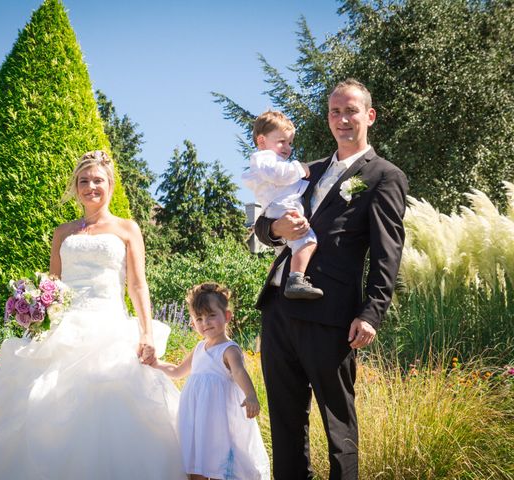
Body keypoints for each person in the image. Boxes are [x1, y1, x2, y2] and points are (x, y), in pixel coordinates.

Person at [0, 150, 186, 479]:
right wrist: (34, 311)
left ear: (111, 185)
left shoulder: (127, 229)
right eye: (83, 181)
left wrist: (145, 332)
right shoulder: (63, 233)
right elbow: (54, 285)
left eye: (97, 180)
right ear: (75, 187)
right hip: (64, 328)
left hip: (109, 326)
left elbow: (138, 285)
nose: (91, 187)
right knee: (42, 405)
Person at [254, 79, 408, 479]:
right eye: (335, 112)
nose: (343, 119)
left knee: (338, 426)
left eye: (351, 111)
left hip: (330, 315)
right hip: (278, 311)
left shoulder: (384, 177)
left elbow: (387, 252)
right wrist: (276, 231)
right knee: (285, 424)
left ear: (369, 116)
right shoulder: (306, 170)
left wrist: (371, 313)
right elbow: (263, 225)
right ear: (328, 118)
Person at [150, 282, 270, 480]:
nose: (205, 322)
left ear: (227, 316)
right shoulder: (199, 348)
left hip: (218, 421)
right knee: (196, 462)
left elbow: (239, 372)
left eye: (211, 315)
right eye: (199, 318)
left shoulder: (229, 349)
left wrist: (251, 396)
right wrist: (156, 364)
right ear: (193, 322)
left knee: (218, 464)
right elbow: (178, 371)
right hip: (196, 418)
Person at [242, 110, 323, 300]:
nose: (287, 148)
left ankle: (278, 278)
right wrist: (300, 168)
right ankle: (296, 279)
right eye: (282, 142)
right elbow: (279, 174)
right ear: (262, 141)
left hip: (280, 207)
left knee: (285, 250)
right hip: (283, 207)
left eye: (290, 143)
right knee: (307, 240)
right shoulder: (265, 158)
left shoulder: (270, 159)